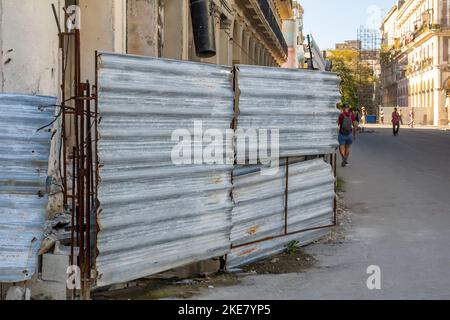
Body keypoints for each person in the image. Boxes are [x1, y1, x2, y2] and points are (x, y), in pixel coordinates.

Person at [337, 103, 357, 167]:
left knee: (341, 147)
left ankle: (343, 158)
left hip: (342, 133)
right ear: (348, 108)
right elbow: (354, 125)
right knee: (347, 148)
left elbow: (337, 124)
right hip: (349, 134)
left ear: (343, 108)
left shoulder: (341, 115)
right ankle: (345, 159)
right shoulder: (352, 115)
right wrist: (354, 134)